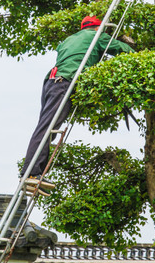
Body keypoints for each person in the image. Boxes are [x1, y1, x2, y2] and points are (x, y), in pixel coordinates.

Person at [20, 15, 135, 196]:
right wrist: (134, 48)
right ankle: (32, 174)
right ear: (98, 28)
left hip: (52, 82)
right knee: (48, 127)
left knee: (48, 126)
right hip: (65, 82)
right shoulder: (96, 36)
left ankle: (34, 173)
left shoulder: (68, 40)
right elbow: (121, 49)